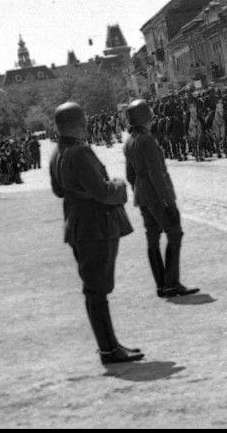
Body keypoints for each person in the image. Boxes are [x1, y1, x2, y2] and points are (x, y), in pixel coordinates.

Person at [49, 101, 143, 365]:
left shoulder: (58, 152)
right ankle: (108, 350)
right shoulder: (79, 153)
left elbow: (59, 190)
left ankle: (110, 344)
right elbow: (103, 192)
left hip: (79, 226)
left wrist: (80, 191)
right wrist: (119, 184)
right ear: (80, 124)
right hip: (94, 227)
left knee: (95, 289)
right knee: (97, 291)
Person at [123, 99, 200, 299]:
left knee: (152, 237)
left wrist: (140, 192)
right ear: (145, 118)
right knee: (174, 233)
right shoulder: (147, 140)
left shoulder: (129, 141)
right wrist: (167, 202)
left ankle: (161, 285)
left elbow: (130, 175)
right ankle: (172, 282)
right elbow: (156, 173)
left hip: (142, 196)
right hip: (156, 195)